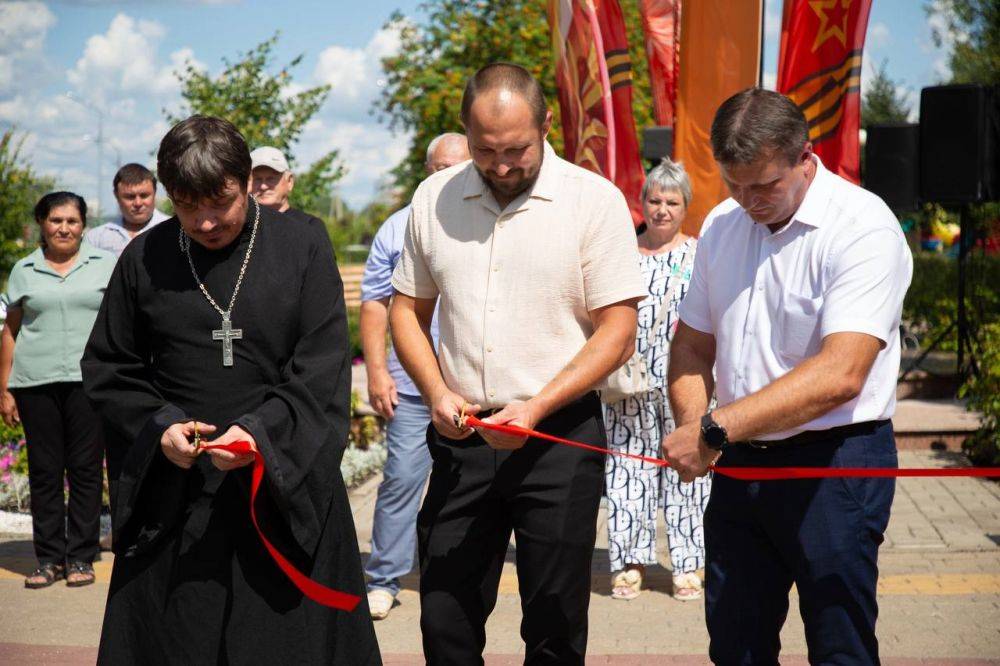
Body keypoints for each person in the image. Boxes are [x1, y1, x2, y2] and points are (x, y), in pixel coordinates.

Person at [81, 115, 380, 664]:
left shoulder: (302, 243)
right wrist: (160, 427)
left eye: (220, 201)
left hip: (283, 483)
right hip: (178, 494)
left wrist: (260, 432)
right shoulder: (144, 257)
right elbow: (110, 365)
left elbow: (322, 361)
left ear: (246, 181)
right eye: (188, 206)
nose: (207, 220)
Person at [390, 63, 645, 664]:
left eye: (516, 150)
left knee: (555, 618)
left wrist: (537, 406)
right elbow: (406, 310)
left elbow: (619, 330)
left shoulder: (593, 201)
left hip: (559, 435)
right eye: (484, 151)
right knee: (445, 613)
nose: (502, 166)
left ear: (547, 125)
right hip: (463, 431)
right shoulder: (435, 196)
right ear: (464, 133)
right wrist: (434, 390)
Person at [663, 88, 913, 664]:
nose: (748, 201)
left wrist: (713, 429)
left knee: (839, 646)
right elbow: (693, 345)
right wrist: (695, 426)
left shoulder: (863, 226)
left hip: (835, 463)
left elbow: (841, 374)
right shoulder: (723, 225)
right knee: (735, 645)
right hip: (739, 459)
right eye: (734, 185)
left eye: (764, 186)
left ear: (806, 159)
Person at [361, 131, 470, 620]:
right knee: (402, 479)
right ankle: (384, 577)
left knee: (473, 489)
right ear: (427, 171)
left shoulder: (488, 220)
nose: (447, 175)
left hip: (473, 388)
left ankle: (459, 574)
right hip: (411, 389)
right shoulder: (398, 227)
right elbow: (376, 304)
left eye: (457, 166)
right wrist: (377, 372)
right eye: (439, 167)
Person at [603, 158, 710, 603]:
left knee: (689, 467)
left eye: (672, 201)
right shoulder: (620, 254)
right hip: (629, 384)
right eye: (654, 199)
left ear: (685, 207)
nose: (662, 209)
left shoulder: (701, 254)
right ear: (642, 203)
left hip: (687, 380)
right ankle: (629, 563)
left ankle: (688, 565)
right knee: (628, 468)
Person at [0, 192, 116, 589]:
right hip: (36, 382)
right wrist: (5, 387)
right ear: (42, 225)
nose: (64, 228)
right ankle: (49, 559)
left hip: (90, 383)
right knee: (45, 473)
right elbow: (10, 331)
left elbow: (121, 323)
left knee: (86, 471)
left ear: (84, 225)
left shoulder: (105, 266)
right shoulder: (24, 270)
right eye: (55, 220)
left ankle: (81, 557)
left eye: (72, 220)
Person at [85, 163, 170, 256]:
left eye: (144, 195)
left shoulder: (175, 231)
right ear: (116, 195)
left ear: (155, 192)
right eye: (130, 197)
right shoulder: (96, 238)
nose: (138, 203)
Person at [249, 146, 323, 226]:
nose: (263, 186)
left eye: (271, 179)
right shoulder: (239, 229)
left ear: (289, 181)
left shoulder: (309, 226)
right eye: (257, 179)